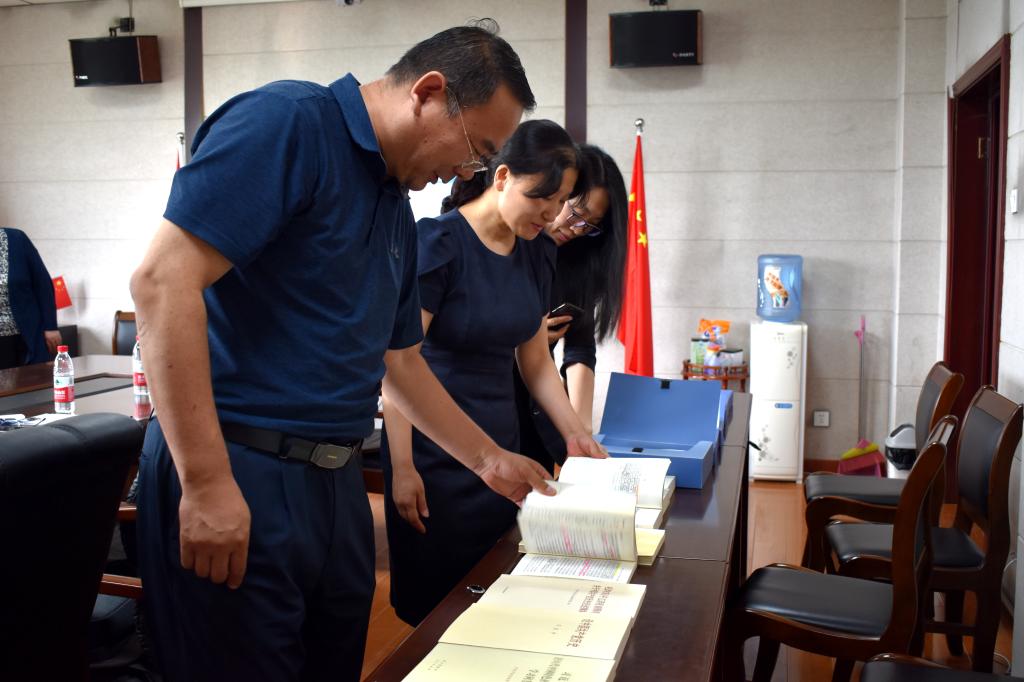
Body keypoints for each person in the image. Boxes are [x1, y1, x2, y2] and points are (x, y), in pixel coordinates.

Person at [129, 22, 557, 682]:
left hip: (335, 481)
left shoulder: (395, 204)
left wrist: (488, 459)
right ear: (429, 92)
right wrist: (207, 483)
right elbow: (162, 283)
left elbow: (399, 360)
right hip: (239, 465)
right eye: (476, 150)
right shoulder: (289, 125)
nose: (466, 173)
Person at [381, 120, 607, 626]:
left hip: (503, 449)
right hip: (435, 451)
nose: (551, 214)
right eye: (541, 198)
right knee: (438, 611)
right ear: (502, 177)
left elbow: (535, 360)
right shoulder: (438, 243)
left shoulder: (537, 250)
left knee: (497, 597)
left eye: (560, 202)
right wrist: (402, 466)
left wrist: (575, 433)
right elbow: (399, 365)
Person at [515, 144, 627, 472]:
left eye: (591, 225)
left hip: (536, 406)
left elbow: (580, 347)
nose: (577, 229)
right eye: (576, 212)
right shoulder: (510, 247)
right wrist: (530, 338)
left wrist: (581, 428)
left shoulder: (575, 259)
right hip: (490, 401)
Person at [0, 227, 62, 368]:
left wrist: (51, 326)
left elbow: (42, 283)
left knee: (33, 379)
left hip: (26, 336)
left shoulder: (16, 239)